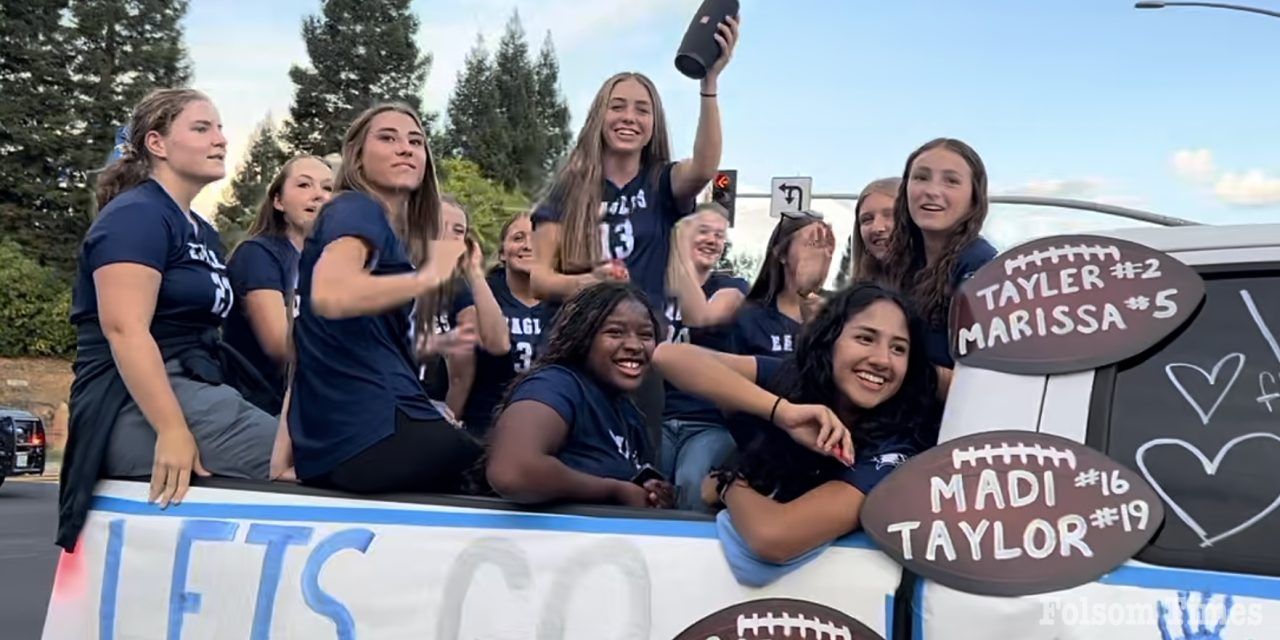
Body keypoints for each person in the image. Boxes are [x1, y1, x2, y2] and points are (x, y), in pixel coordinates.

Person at [59, 89, 283, 550]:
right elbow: (124, 329)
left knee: (319, 438)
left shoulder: (203, 230)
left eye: (220, 128)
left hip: (201, 386)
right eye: (202, 128)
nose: (221, 139)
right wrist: (173, 430)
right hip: (133, 402)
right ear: (157, 144)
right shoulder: (136, 215)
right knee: (306, 456)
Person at [528, 17, 739, 450]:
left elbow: (703, 166)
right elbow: (539, 279)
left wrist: (709, 82)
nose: (629, 117)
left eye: (642, 109)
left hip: (636, 355)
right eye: (617, 106)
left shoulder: (661, 184)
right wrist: (587, 283)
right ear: (599, 116)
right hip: (574, 352)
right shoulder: (568, 189)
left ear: (654, 123)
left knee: (637, 471)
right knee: (565, 458)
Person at [654, 283, 941, 584]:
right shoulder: (792, 380)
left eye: (899, 348)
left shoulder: (898, 447)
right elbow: (669, 357)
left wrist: (728, 484)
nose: (882, 359)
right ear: (829, 340)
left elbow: (775, 538)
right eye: (865, 338)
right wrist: (782, 412)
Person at [288, 102, 481, 494]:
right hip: (372, 433)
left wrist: (287, 455)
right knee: (511, 472)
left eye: (416, 141)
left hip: (346, 441)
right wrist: (429, 276)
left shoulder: (383, 232)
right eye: (388, 138)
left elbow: (309, 343)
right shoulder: (355, 208)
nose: (405, 148)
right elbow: (332, 294)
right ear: (357, 158)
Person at [486, 282, 674, 508]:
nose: (635, 345)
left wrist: (652, 493)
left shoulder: (630, 415)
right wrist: (613, 490)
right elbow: (512, 472)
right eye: (614, 332)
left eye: (646, 335)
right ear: (583, 336)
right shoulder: (556, 384)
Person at [883, 138, 998, 382]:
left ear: (974, 199)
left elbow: (983, 383)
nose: (932, 191)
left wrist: (897, 371)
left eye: (951, 181)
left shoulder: (981, 266)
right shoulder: (903, 263)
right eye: (921, 177)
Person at [660, 204, 749, 510]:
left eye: (720, 235)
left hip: (707, 421)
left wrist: (679, 253)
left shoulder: (731, 288)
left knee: (690, 482)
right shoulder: (655, 289)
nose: (713, 239)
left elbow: (699, 316)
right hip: (657, 418)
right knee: (648, 486)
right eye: (703, 231)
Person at [223, 155, 334, 398]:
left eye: (328, 188)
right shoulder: (257, 254)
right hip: (262, 403)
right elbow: (280, 345)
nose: (319, 194)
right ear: (278, 201)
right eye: (304, 185)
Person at [416, 196, 508, 418]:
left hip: (428, 409)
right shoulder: (388, 272)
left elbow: (463, 375)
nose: (448, 235)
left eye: (458, 230)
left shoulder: (457, 289)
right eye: (438, 225)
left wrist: (474, 271)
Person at [457, 211, 547, 437]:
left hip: (546, 425)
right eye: (518, 238)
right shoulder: (481, 293)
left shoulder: (565, 303)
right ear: (502, 252)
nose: (528, 246)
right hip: (485, 423)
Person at [729, 214, 835, 357]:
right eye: (813, 243)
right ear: (782, 254)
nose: (821, 253)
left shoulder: (840, 314)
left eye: (826, 245)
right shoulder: (749, 318)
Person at [849, 177, 899, 283]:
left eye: (890, 215)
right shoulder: (858, 296)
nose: (877, 228)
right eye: (867, 219)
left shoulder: (942, 286)